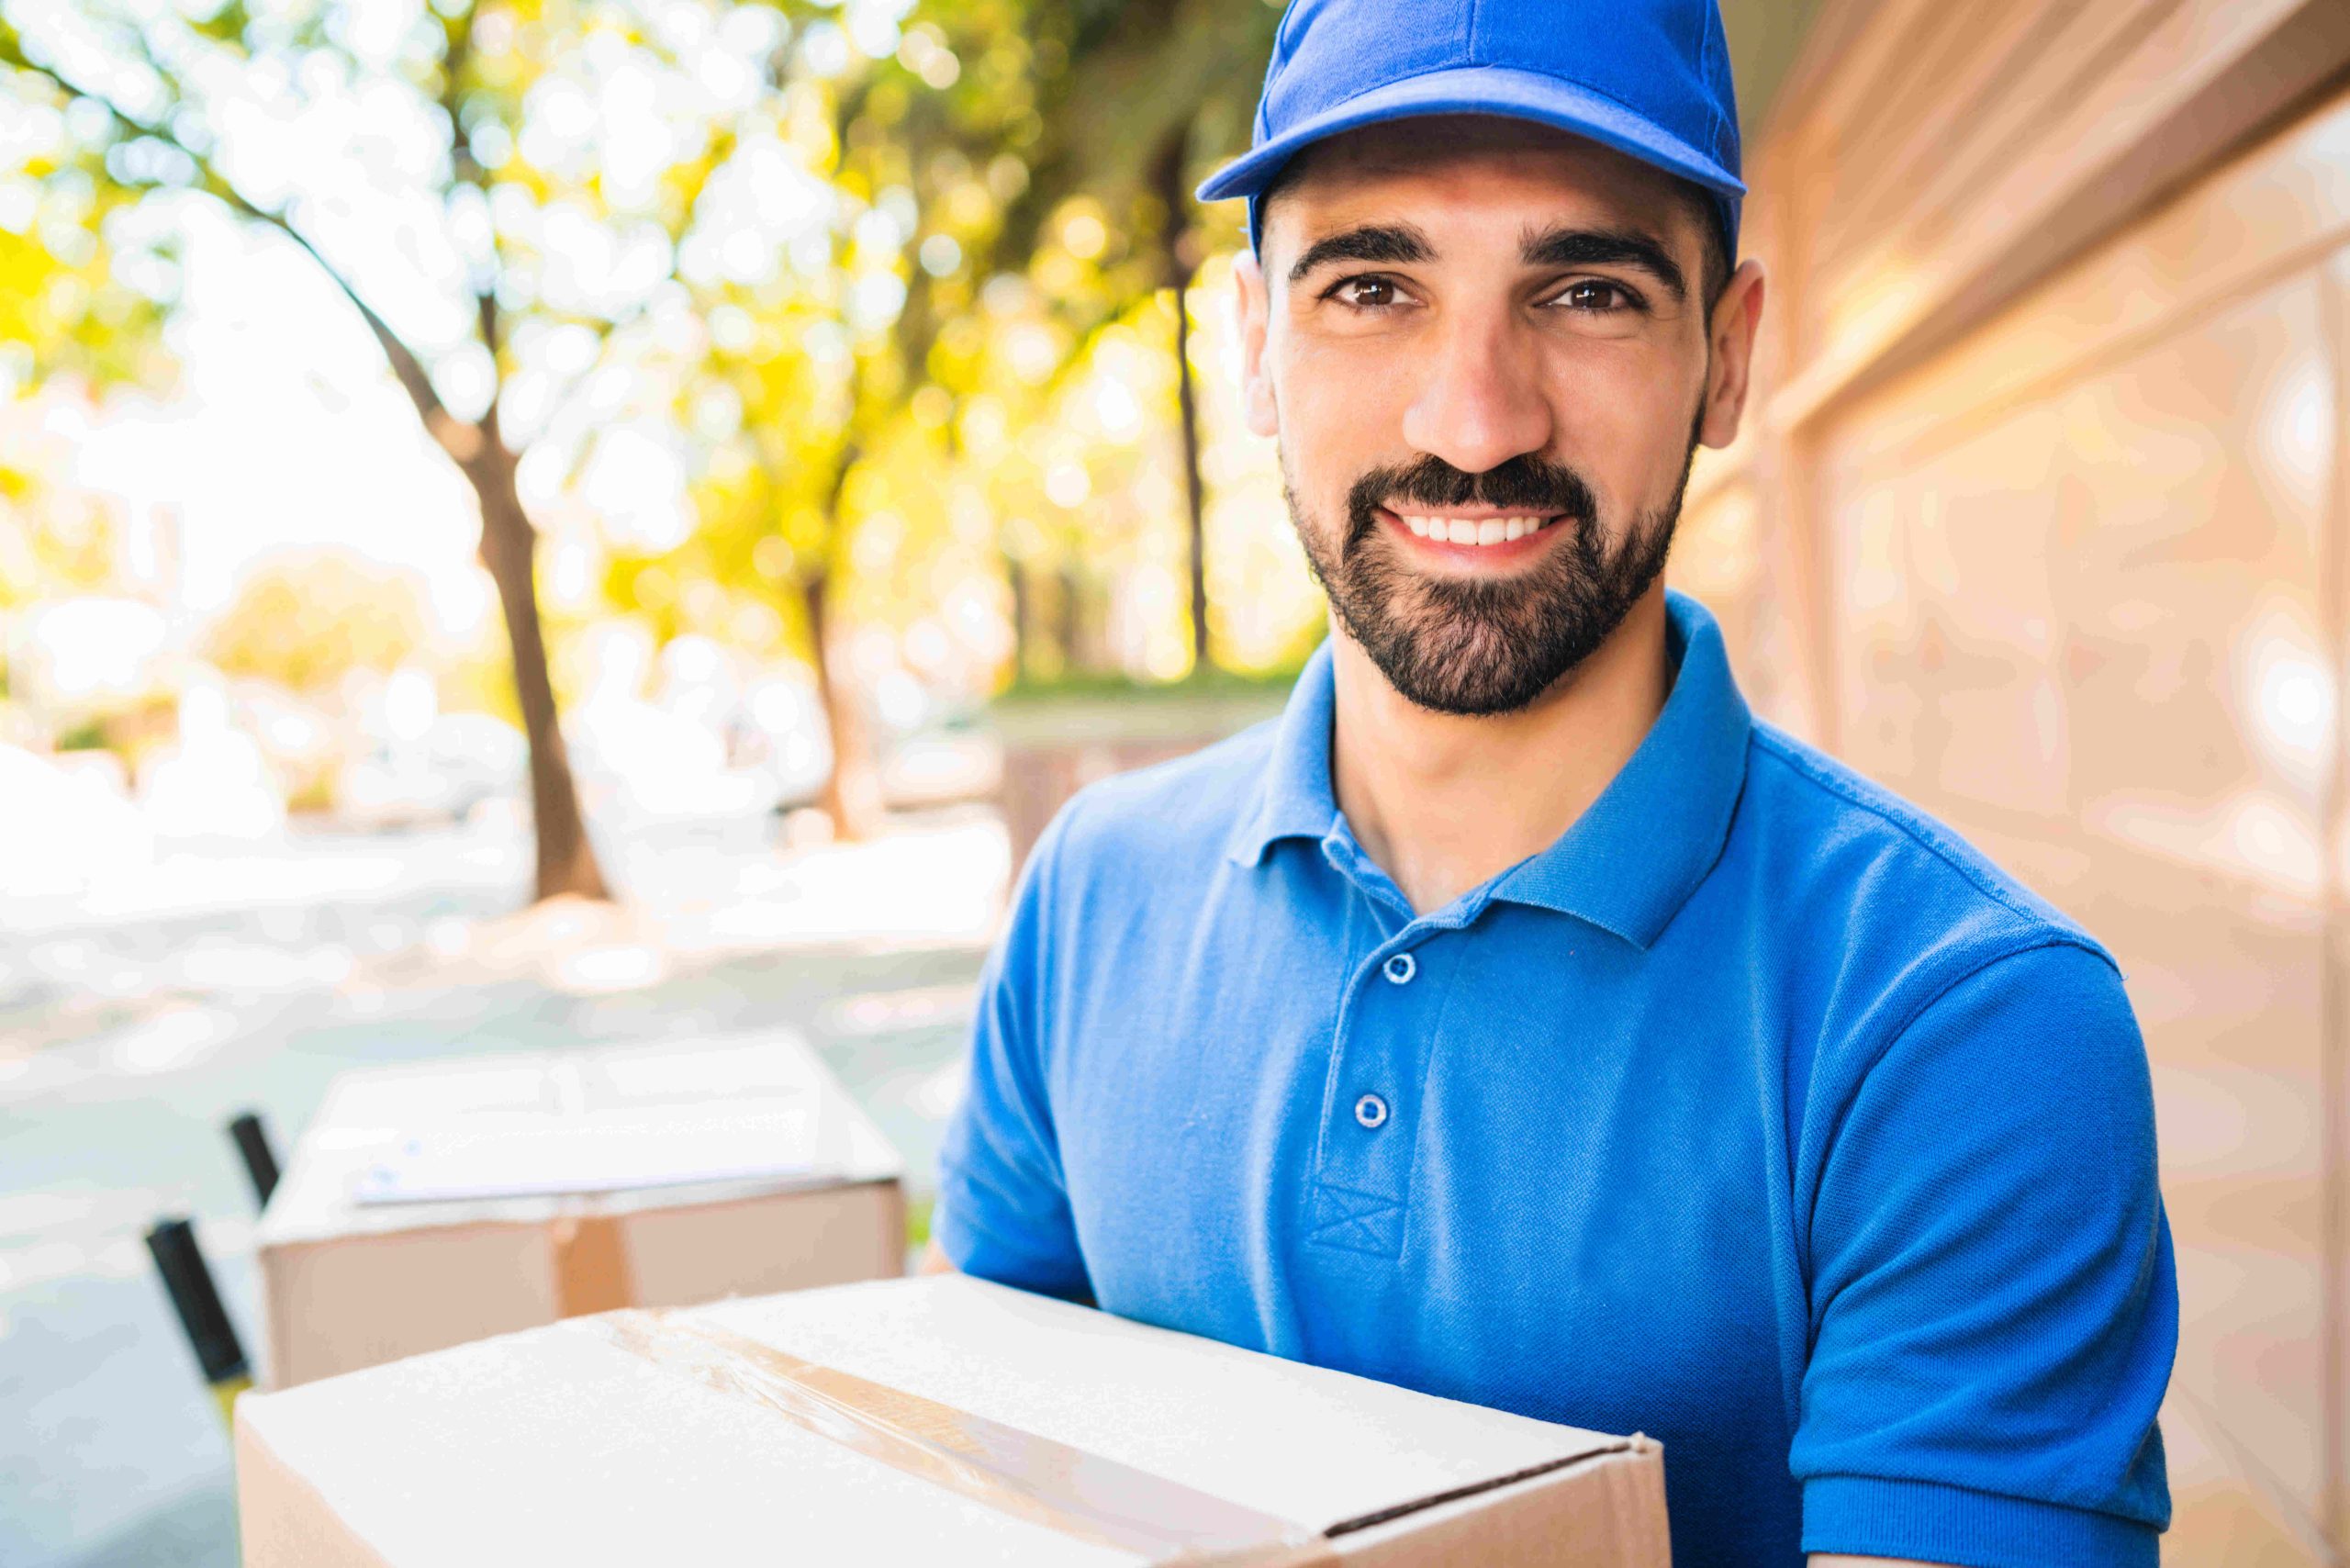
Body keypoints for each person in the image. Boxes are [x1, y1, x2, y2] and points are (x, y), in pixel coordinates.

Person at [929, 2, 2177, 1563]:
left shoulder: (1965, 1030)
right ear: (1253, 344)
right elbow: (967, 1479)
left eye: (1586, 293)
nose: (1475, 420)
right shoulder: (1087, 905)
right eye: (1373, 287)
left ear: (1725, 360)